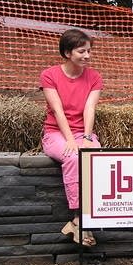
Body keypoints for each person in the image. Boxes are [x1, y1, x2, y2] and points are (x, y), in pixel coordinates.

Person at [40, 28, 102, 247]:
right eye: (81, 51)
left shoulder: (94, 77)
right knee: (75, 157)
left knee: (95, 157)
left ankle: (82, 221)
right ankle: (78, 218)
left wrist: (86, 137)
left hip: (81, 132)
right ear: (67, 53)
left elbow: (90, 108)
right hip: (56, 133)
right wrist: (69, 140)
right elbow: (57, 110)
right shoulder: (49, 75)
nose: (87, 56)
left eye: (89, 51)